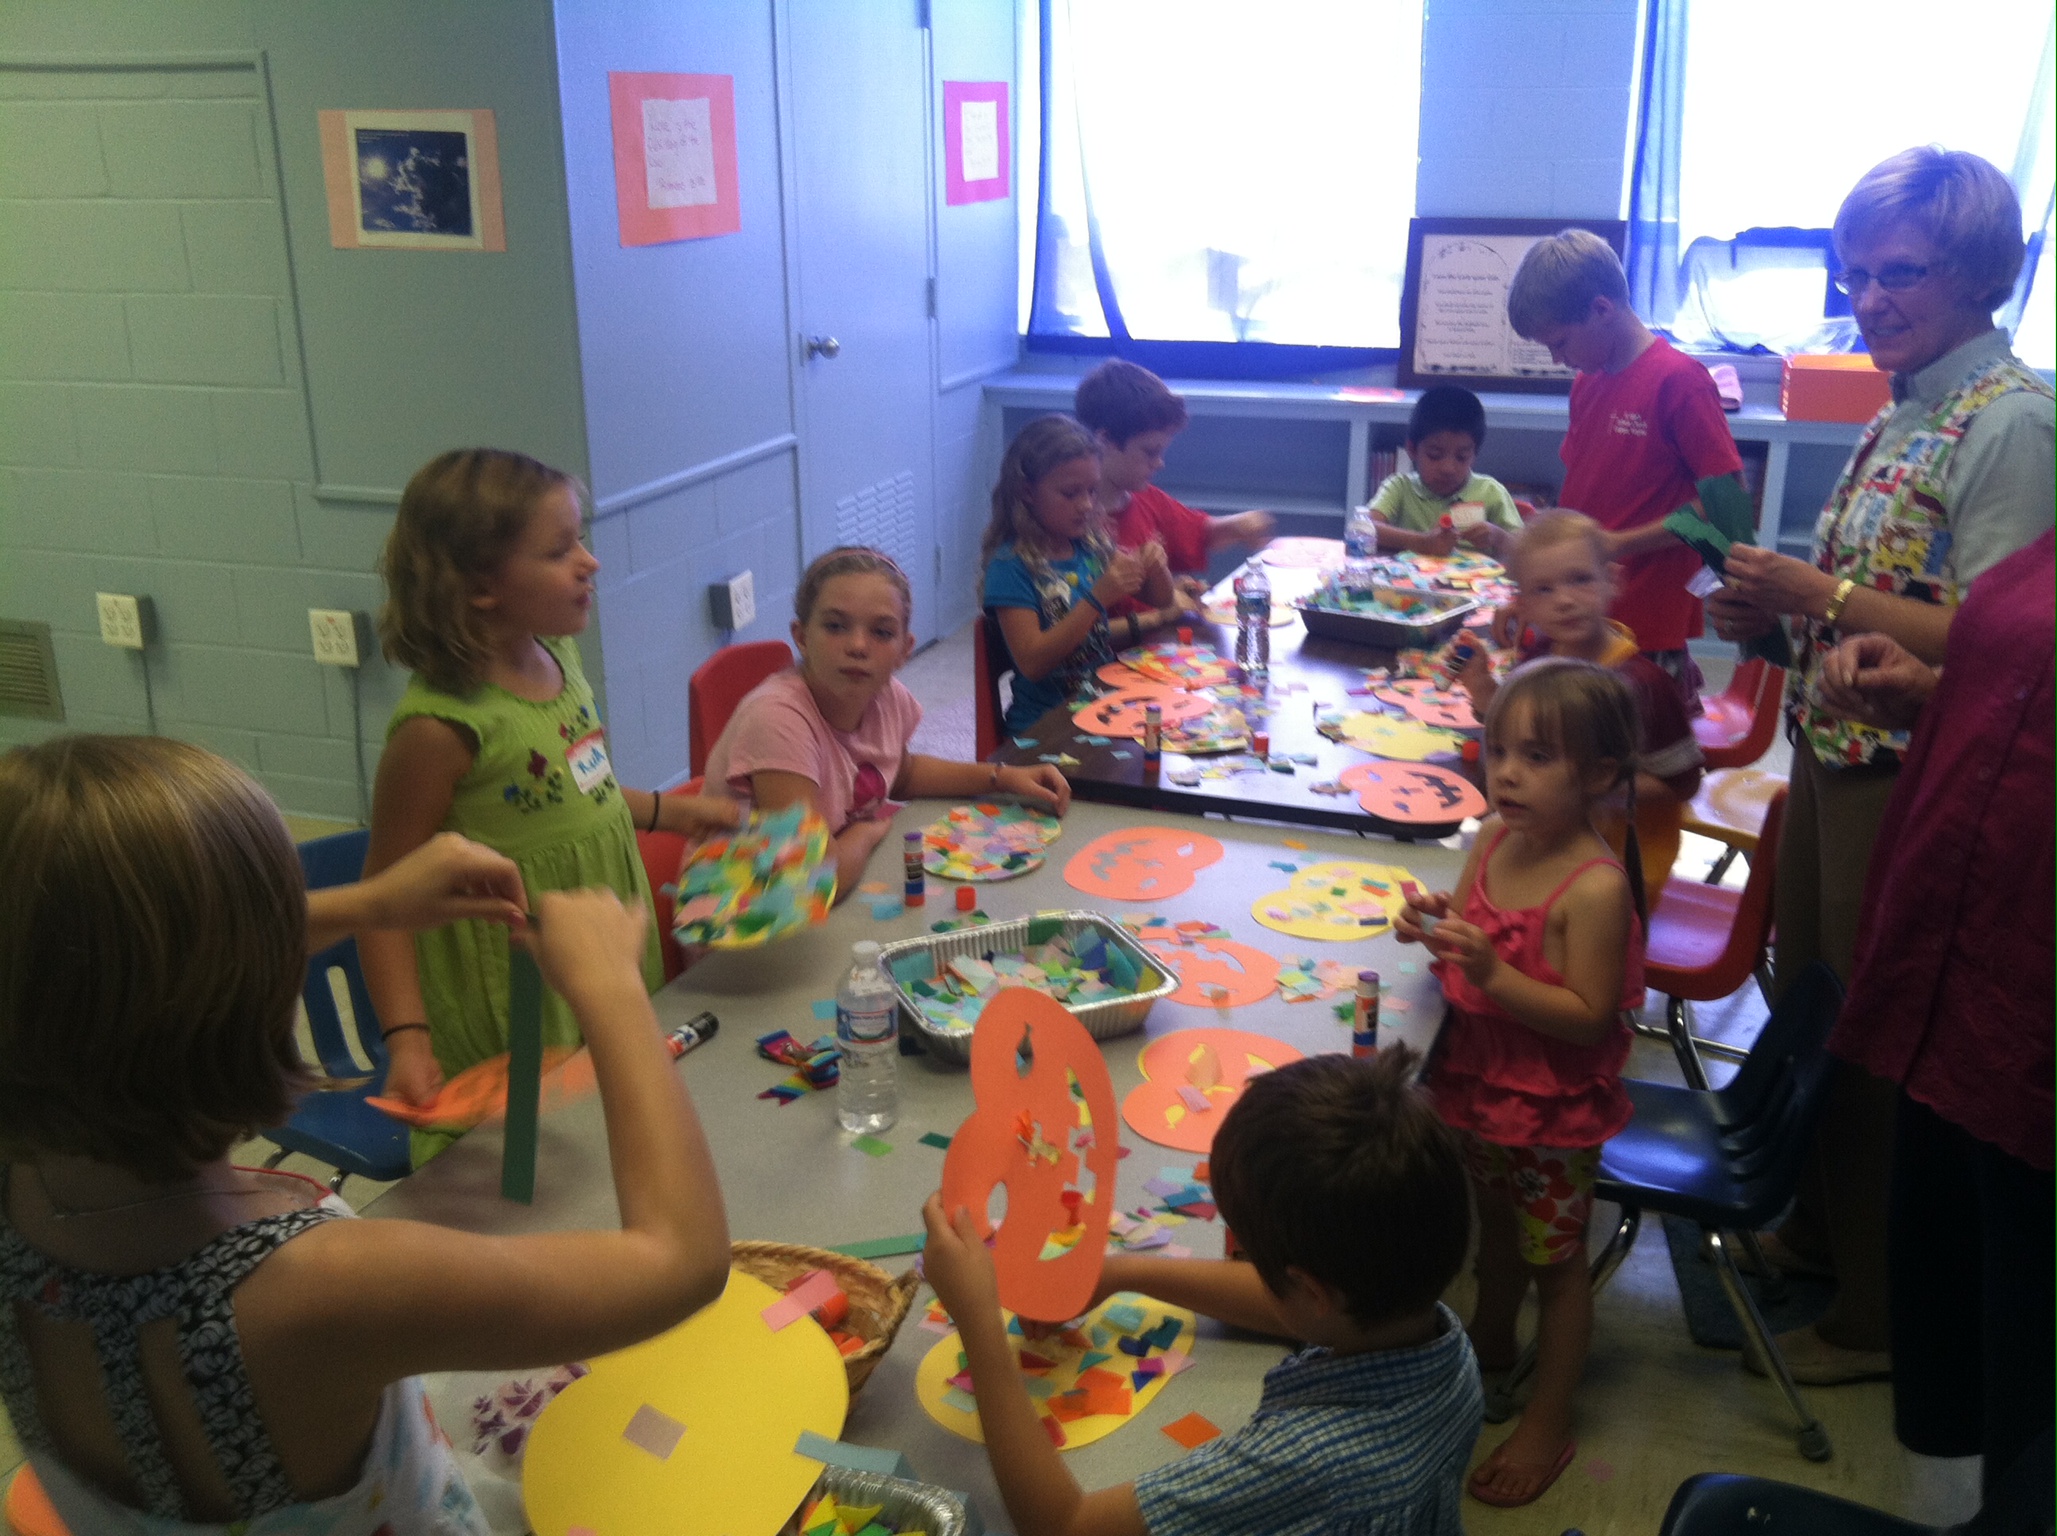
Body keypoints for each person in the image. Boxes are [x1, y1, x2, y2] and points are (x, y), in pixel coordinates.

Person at [0, 735, 730, 1535]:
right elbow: (678, 1261)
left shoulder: (25, 1187)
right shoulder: (320, 1289)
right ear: (245, 996)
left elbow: (122, 967)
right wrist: (611, 988)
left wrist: (369, 903)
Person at [1704, 147, 2054, 1384]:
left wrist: (1825, 590)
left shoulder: (2007, 422)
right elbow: (1886, 600)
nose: (1869, 299)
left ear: (1974, 271)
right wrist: (1781, 618)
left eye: (1897, 272)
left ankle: (1879, 1311)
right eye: (1853, 275)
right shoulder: (1903, 402)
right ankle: (1817, 1231)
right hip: (1834, 749)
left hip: (1914, 781)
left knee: (1866, 1036)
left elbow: (2000, 641)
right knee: (1806, 1009)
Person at [920, 1050, 1480, 1536]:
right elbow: (1299, 1311)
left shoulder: (1305, 1462)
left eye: (1252, 1257)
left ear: (1310, 1289)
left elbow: (1065, 1526)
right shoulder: (1442, 1344)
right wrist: (1122, 1273)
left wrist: (980, 1325)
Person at [360, 449, 739, 1155]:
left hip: (597, 937)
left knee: (619, 1122)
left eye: (581, 540)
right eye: (560, 549)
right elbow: (381, 902)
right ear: (480, 586)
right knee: (536, 1162)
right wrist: (407, 1039)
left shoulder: (556, 658)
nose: (589, 563)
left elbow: (574, 791)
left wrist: (670, 811)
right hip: (519, 982)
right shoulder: (439, 730)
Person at [1812, 528, 2052, 1521]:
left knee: (2033, 1338)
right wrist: (1927, 693)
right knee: (1984, 1320)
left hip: (2032, 1017)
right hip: (1965, 998)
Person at [1398, 658, 1646, 1508]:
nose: (1502, 772)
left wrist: (1494, 973)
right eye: (1496, 748)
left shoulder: (1597, 887)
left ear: (1602, 775)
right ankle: (1489, 1349)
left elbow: (1584, 1016)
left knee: (1558, 1263)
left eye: (1536, 756)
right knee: (1493, 1231)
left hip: (1548, 1113)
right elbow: (1463, 937)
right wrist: (1430, 923)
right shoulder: (1491, 839)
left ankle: (1548, 1415)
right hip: (1475, 1081)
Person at [702, 545, 1072, 900]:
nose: (859, 646)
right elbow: (809, 880)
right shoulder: (778, 720)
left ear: (904, 650)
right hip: (746, 920)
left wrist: (1003, 777)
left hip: (832, 889)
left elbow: (900, 772)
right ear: (801, 637)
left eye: (881, 632)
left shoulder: (884, 695)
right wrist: (864, 833)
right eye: (835, 626)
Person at [1507, 228, 1746, 710]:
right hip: (1583, 614)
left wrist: (1619, 544)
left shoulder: (1678, 381)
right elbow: (1588, 495)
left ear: (1601, 309)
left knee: (1644, 760)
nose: (1557, 358)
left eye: (1560, 342)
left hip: (1647, 624)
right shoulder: (1587, 383)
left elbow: (1727, 503)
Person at [1455, 510, 1703, 905]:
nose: (1566, 601)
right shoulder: (1538, 658)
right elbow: (1523, 738)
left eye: (1580, 579)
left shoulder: (1643, 685)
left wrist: (1583, 785)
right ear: (1523, 606)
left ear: (1613, 581)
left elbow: (1683, 783)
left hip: (1616, 866)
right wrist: (1484, 690)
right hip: (1545, 842)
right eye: (1544, 590)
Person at [982, 414, 1175, 733]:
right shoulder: (1011, 565)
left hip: (1101, 706)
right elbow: (1032, 663)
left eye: (1092, 491)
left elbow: (1162, 599)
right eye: (1071, 494)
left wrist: (1156, 566)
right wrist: (1096, 598)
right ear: (1028, 492)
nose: (1086, 505)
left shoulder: (1090, 546)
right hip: (1044, 727)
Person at [1073, 359, 1275, 641]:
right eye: (1150, 451)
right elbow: (1074, 633)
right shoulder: (1070, 522)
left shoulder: (1147, 500)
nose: (1159, 463)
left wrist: (1236, 526)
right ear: (1104, 440)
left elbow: (1199, 533)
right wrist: (1162, 611)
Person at [1367, 385, 1524, 558]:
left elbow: (1527, 552)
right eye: (1435, 455)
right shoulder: (1399, 487)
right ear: (1412, 450)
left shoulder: (1491, 492)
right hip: (1410, 583)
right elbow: (1366, 528)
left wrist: (1499, 538)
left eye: (1462, 457)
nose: (1448, 469)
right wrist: (1422, 542)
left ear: (1475, 454)